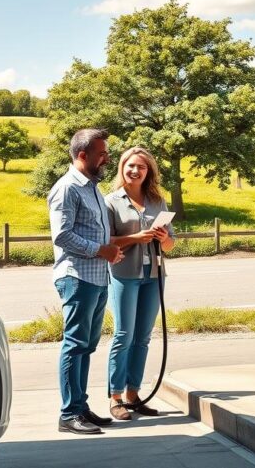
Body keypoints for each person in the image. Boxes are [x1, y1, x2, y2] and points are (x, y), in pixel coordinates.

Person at [48, 128, 124, 435]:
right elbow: (62, 236)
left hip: (97, 278)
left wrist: (108, 250)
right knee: (75, 345)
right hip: (76, 278)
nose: (107, 158)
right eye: (101, 154)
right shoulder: (67, 188)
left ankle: (80, 407)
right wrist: (100, 250)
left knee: (86, 346)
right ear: (83, 155)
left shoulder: (92, 187)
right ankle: (69, 414)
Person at [104, 146, 175, 420]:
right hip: (124, 274)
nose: (135, 171)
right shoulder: (111, 202)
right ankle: (115, 397)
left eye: (141, 167)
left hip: (154, 275)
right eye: (130, 166)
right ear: (122, 167)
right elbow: (106, 241)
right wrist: (136, 238)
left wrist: (162, 238)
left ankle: (133, 395)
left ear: (149, 171)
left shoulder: (158, 201)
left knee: (143, 337)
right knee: (124, 335)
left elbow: (170, 244)